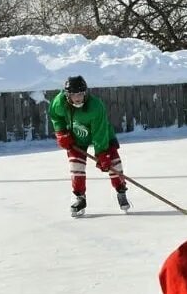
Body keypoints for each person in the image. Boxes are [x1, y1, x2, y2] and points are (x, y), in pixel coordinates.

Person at [49, 75, 130, 217]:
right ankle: (80, 198)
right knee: (76, 166)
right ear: (68, 95)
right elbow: (55, 116)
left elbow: (99, 132)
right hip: (76, 136)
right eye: (74, 95)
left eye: (81, 94)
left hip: (102, 134)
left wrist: (102, 153)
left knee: (113, 163)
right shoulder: (59, 103)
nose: (78, 98)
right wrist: (61, 132)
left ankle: (121, 191)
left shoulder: (95, 106)